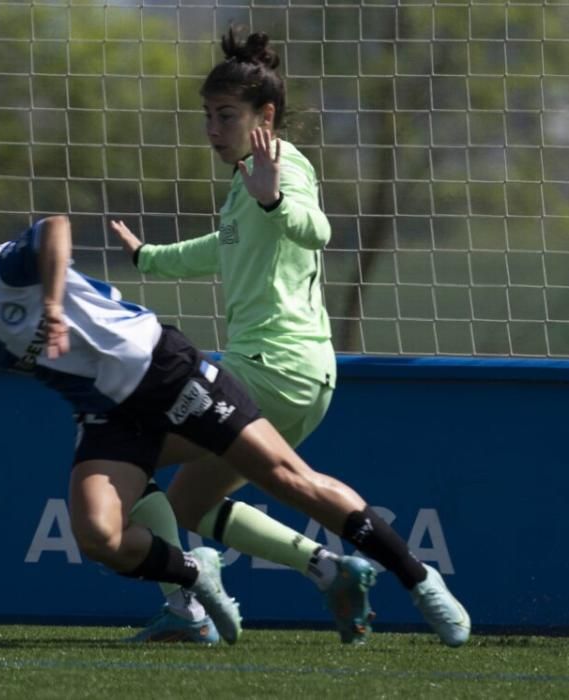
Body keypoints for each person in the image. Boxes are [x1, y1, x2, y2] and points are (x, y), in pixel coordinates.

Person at [0, 213, 471, 649]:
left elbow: (56, 227)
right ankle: (194, 574)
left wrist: (55, 302)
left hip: (164, 371)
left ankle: (420, 581)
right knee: (97, 535)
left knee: (290, 479)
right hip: (108, 416)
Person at [110, 27, 470, 647]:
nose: (212, 129)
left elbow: (317, 229)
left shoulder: (280, 170)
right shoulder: (247, 181)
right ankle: (361, 572)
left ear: (264, 116)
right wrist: (149, 259)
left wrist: (276, 200)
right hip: (306, 374)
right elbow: (222, 250)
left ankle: (187, 600)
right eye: (208, 116)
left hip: (267, 368)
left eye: (225, 116)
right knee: (197, 504)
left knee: (122, 443)